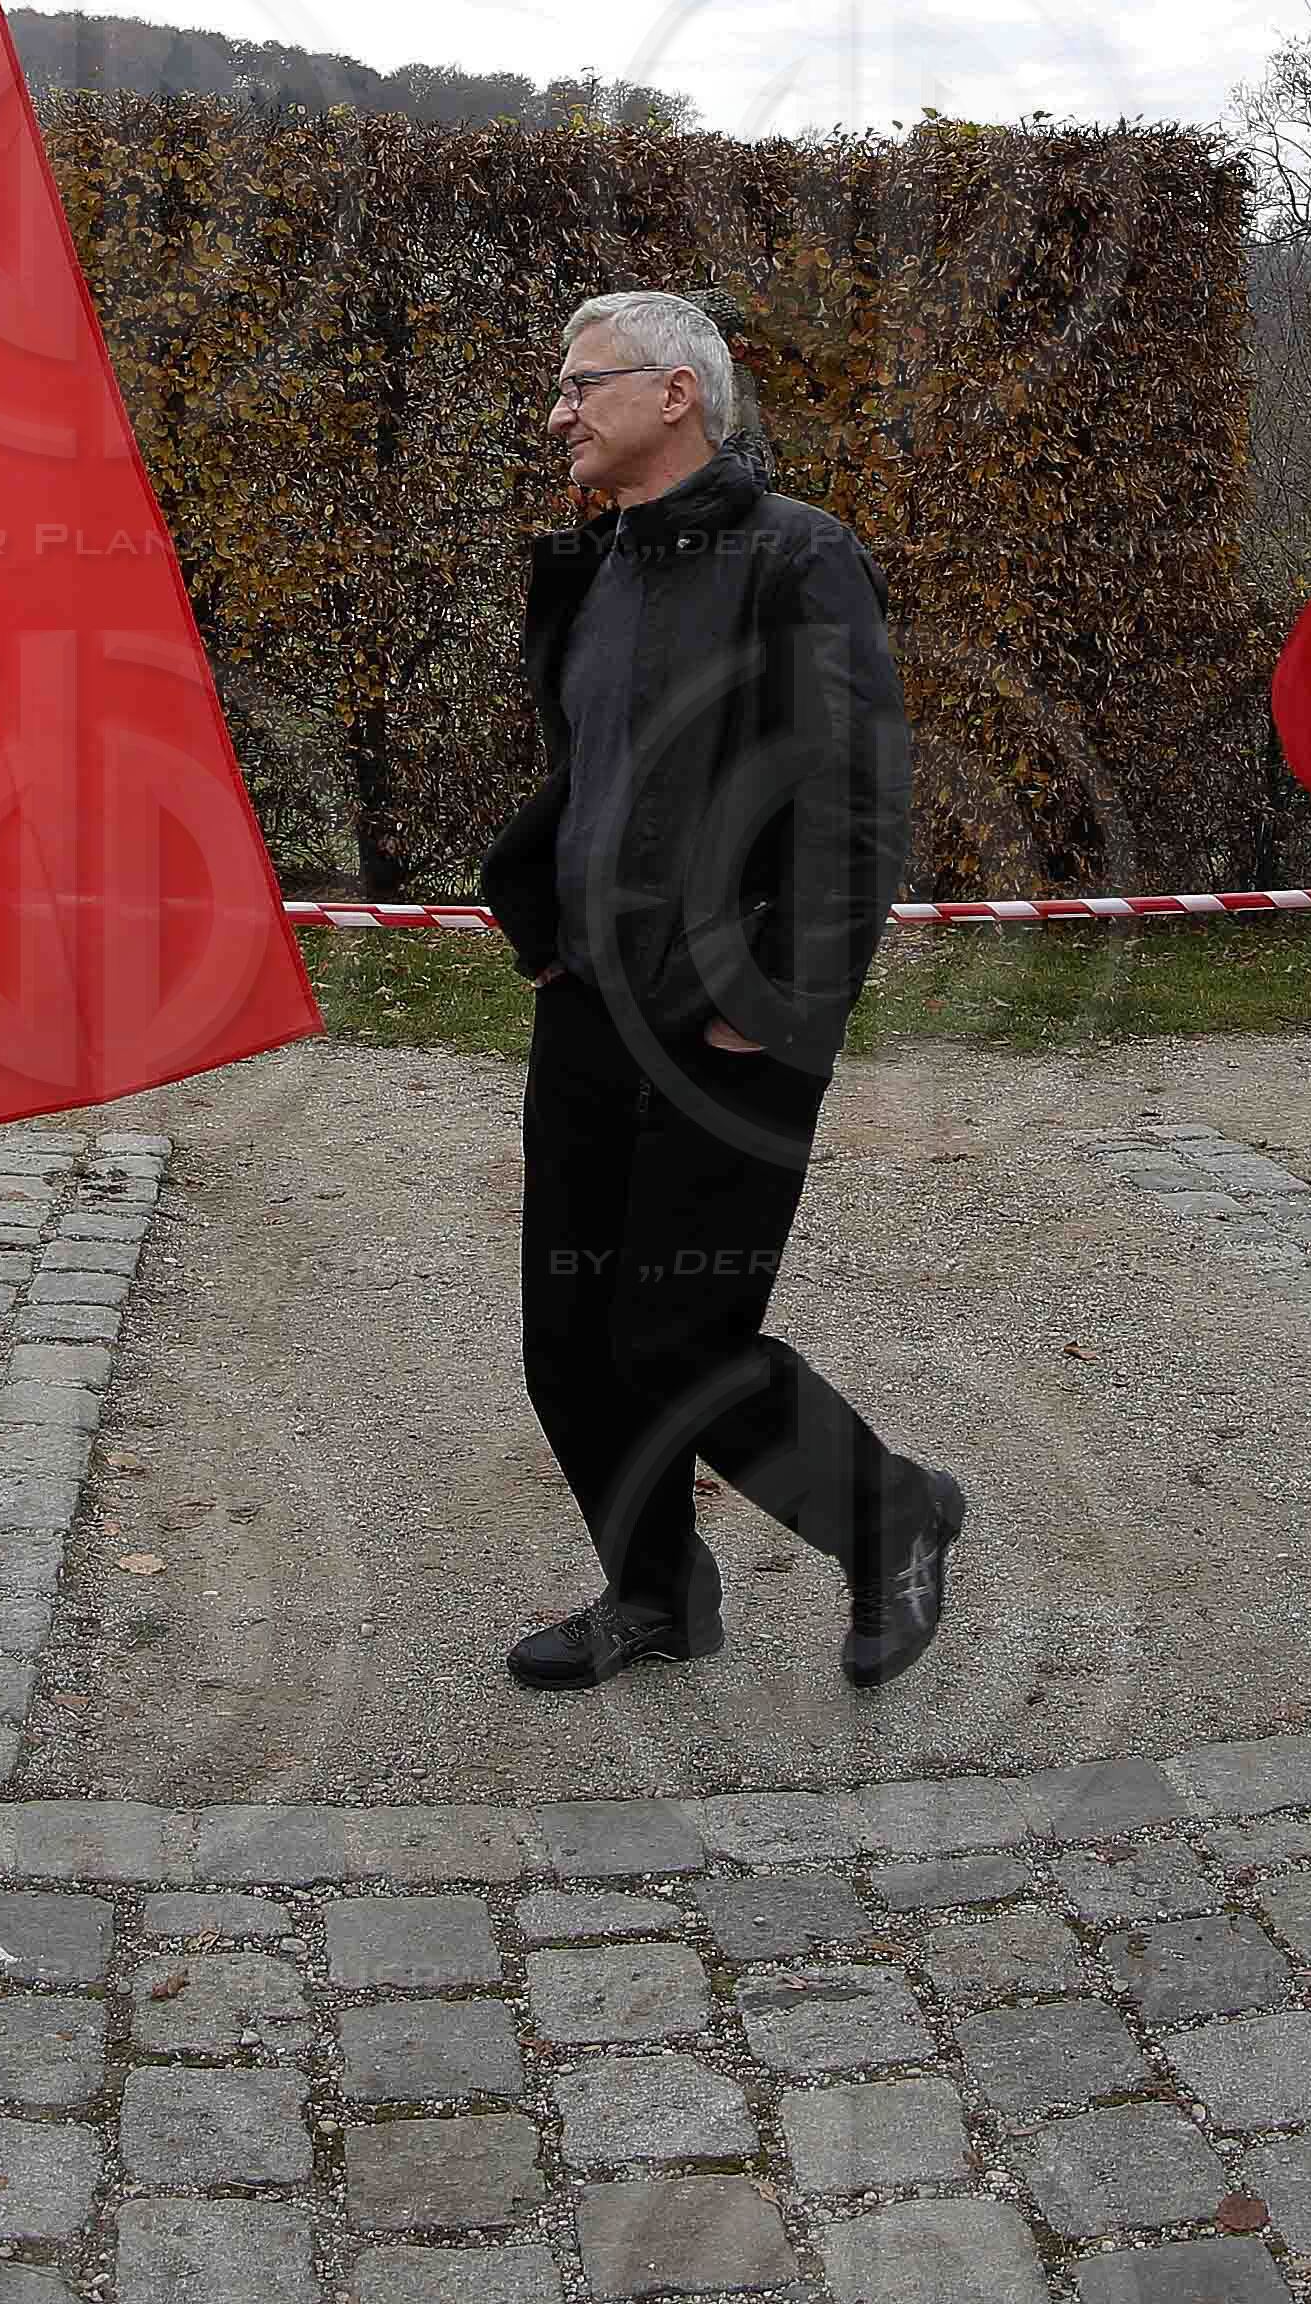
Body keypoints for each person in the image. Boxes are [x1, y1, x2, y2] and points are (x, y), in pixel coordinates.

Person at [478, 290, 962, 1691]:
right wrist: (549, 917)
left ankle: (897, 1521)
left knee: (679, 1335)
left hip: (724, 1024)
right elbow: (607, 774)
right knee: (568, 1344)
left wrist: (778, 1001)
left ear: (676, 395)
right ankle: (657, 1599)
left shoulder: (798, 560)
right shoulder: (601, 563)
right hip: (588, 1004)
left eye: (584, 385)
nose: (560, 410)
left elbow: (857, 806)